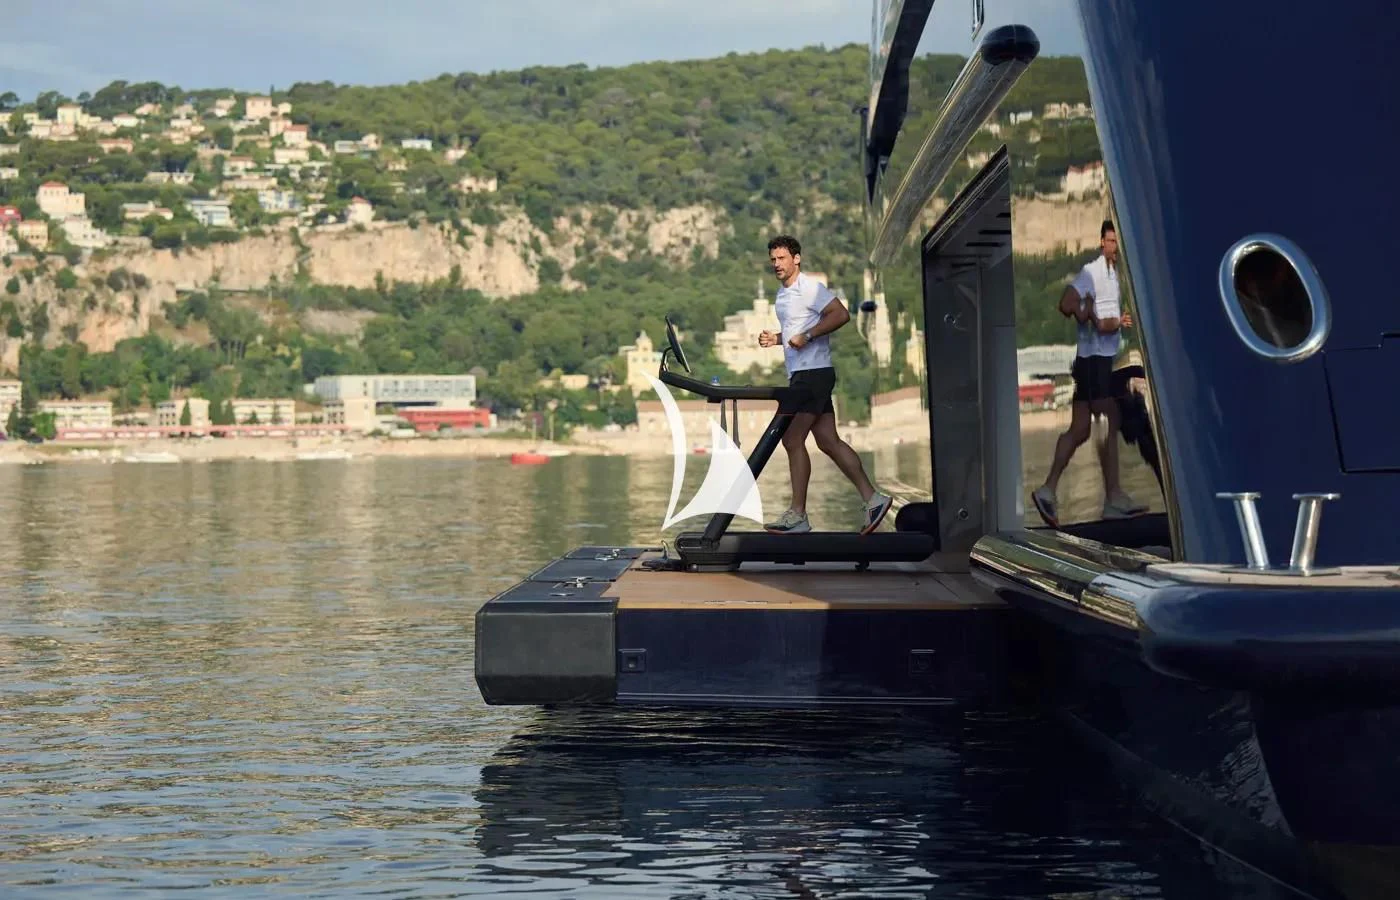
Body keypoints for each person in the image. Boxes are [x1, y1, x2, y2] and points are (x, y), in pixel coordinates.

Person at [756, 235, 892, 535]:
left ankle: (798, 514)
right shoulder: (783, 295)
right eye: (773, 260)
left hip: (813, 374)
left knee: (792, 440)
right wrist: (777, 339)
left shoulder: (809, 288)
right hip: (803, 373)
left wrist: (810, 336)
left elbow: (841, 314)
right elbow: (796, 330)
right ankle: (873, 498)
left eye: (782, 258)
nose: (777, 264)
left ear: (797, 258)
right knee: (827, 441)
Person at [1030, 219, 1147, 527]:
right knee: (1110, 415)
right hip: (1094, 360)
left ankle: (1047, 489)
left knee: (1081, 428)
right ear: (1102, 243)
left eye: (1115, 242)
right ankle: (1114, 497)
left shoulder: (1111, 275)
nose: (1114, 247)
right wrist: (1093, 317)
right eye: (1109, 241)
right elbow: (1066, 302)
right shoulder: (1092, 272)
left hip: (1092, 361)